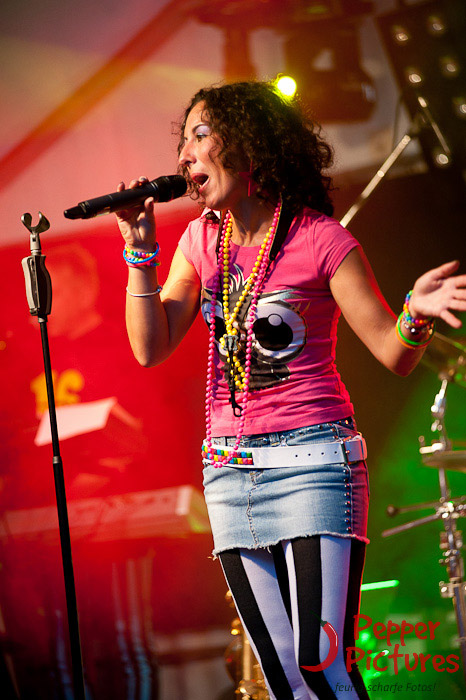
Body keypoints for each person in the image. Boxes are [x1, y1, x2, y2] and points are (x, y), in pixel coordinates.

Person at [115, 81, 466, 700]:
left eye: (201, 136)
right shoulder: (200, 241)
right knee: (281, 677)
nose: (185, 156)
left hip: (314, 465)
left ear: (249, 144)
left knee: (321, 665)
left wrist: (416, 311)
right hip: (230, 474)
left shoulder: (321, 240)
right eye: (183, 142)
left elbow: (393, 353)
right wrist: (140, 254)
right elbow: (150, 347)